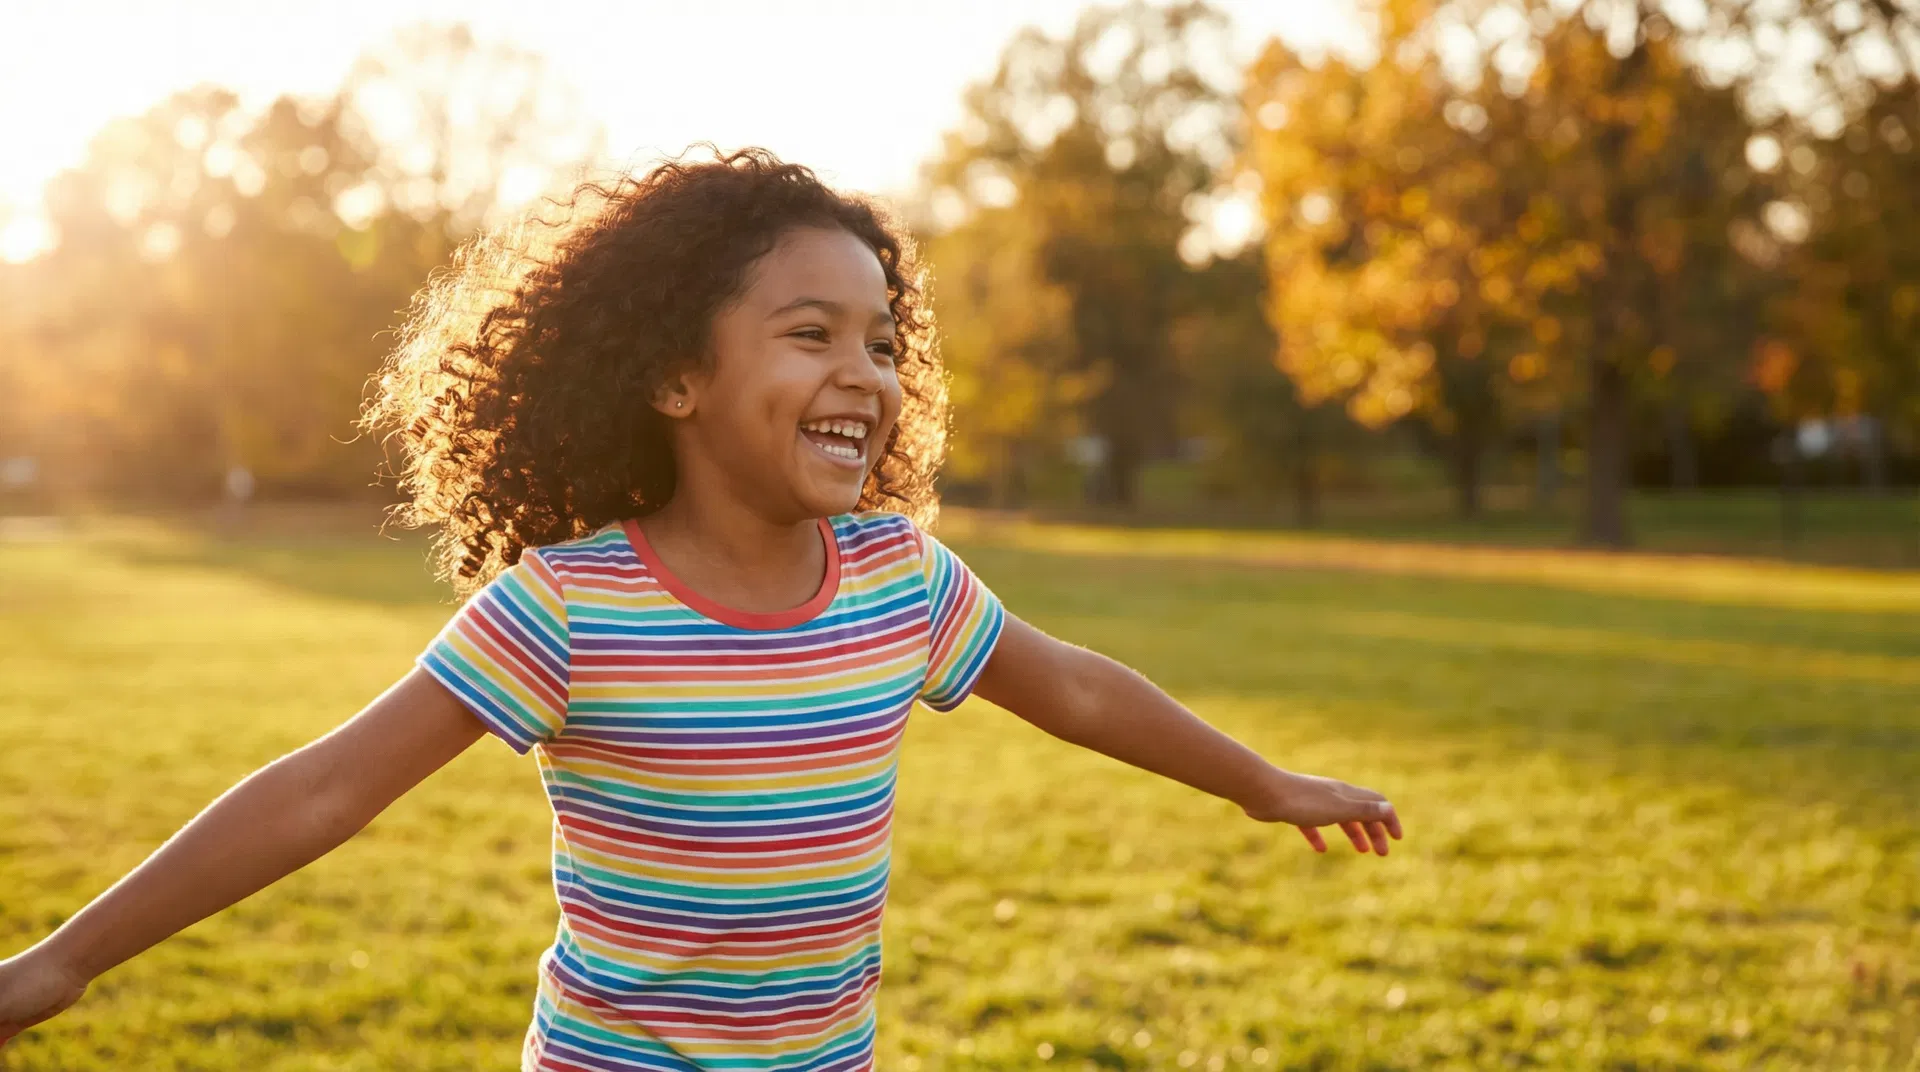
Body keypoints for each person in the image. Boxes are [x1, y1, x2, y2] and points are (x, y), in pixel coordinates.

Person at [0, 149, 1401, 1071]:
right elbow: (324, 793)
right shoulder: (568, 609)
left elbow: (1081, 689)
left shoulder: (897, 580)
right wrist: (62, 962)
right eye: (810, 335)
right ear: (674, 379)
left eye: (882, 340)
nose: (867, 371)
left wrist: (1259, 781)